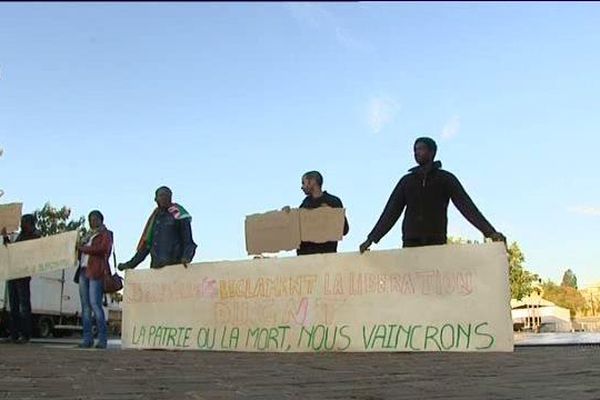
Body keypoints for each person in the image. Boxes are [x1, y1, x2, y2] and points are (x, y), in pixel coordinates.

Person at [359, 137, 505, 253]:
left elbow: (467, 207)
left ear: (432, 152)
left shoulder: (445, 179)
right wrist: (371, 239)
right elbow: (391, 212)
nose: (416, 153)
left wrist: (490, 232)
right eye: (414, 150)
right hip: (411, 242)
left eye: (421, 149)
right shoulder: (406, 181)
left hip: (436, 240)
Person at [118, 186, 197, 270]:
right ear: (156, 199)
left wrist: (186, 257)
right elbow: (145, 247)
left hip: (175, 266)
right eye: (161, 195)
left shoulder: (178, 213)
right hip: (156, 268)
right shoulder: (154, 218)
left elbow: (188, 241)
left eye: (167, 195)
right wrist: (129, 265)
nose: (164, 198)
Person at [1, 214, 41, 344]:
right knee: (13, 306)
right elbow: (13, 251)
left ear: (30, 223)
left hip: (23, 274)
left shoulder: (34, 236)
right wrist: (6, 237)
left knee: (24, 306)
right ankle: (14, 334)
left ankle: (25, 334)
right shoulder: (21, 236)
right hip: (14, 273)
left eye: (24, 222)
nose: (22, 224)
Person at [75, 210, 113, 349]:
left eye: (95, 218)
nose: (92, 221)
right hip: (84, 270)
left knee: (95, 304)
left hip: (96, 271)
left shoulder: (106, 234)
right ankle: (87, 339)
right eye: (90, 219)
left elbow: (103, 249)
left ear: (101, 220)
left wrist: (84, 248)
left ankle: (102, 339)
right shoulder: (87, 236)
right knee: (85, 307)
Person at [295, 171, 349, 255]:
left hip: (326, 257)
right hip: (305, 258)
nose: (302, 187)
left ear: (312, 182)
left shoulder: (333, 201)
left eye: (303, 183)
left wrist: (331, 214)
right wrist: (287, 215)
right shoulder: (304, 205)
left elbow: (344, 230)